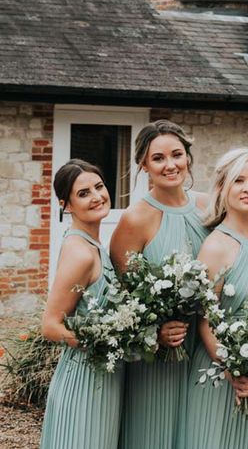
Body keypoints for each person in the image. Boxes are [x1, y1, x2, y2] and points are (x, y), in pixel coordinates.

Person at [110, 120, 208, 449]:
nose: (170, 165)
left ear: (188, 158)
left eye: (177, 155)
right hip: (160, 354)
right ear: (144, 165)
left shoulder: (210, 208)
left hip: (205, 345)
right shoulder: (135, 219)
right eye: (159, 158)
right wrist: (157, 333)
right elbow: (125, 298)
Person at [182, 147, 248, 449]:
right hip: (225, 374)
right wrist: (234, 367)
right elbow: (205, 320)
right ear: (223, 187)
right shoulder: (215, 246)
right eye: (239, 180)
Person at [40, 159, 123, 449]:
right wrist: (100, 341)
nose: (97, 196)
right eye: (83, 193)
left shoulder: (94, 245)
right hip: (84, 381)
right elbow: (51, 326)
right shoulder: (81, 253)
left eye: (99, 186)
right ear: (67, 205)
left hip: (105, 378)